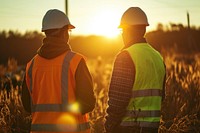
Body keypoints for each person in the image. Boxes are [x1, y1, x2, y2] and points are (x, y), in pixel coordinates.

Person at [21, 9, 96, 133]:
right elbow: (87, 103)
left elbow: (27, 105)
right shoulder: (76, 61)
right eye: (68, 31)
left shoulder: (31, 65)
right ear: (63, 33)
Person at [105, 7, 166, 133]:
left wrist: (110, 126)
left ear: (127, 30)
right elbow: (162, 96)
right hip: (152, 128)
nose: (122, 34)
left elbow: (118, 101)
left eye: (122, 30)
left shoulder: (125, 57)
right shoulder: (158, 57)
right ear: (143, 29)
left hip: (127, 128)